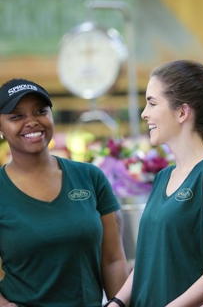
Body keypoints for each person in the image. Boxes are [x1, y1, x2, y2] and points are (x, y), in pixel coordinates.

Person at [103, 59, 203, 307]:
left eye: (152, 103)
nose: (144, 113)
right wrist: (117, 302)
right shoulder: (164, 176)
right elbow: (147, 261)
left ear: (183, 112)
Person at [0, 78, 129, 307]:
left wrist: (119, 304)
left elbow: (112, 260)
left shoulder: (90, 177)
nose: (31, 122)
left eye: (40, 111)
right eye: (16, 116)